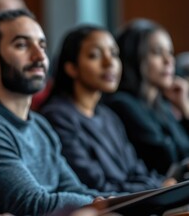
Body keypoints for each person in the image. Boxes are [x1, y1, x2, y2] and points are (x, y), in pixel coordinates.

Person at [0, 9, 110, 216]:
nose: (39, 56)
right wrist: (98, 204)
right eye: (22, 45)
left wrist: (119, 202)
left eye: (42, 45)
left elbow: (74, 189)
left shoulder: (40, 125)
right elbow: (31, 204)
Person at [39, 25, 175, 193]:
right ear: (71, 68)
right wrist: (158, 187)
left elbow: (137, 171)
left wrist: (163, 184)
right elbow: (95, 186)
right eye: (95, 55)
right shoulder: (58, 117)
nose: (109, 62)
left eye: (114, 54)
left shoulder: (108, 116)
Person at [104, 19, 189, 181]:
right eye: (157, 52)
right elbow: (166, 160)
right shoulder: (122, 103)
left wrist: (185, 108)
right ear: (135, 57)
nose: (168, 61)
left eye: (170, 52)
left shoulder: (160, 105)